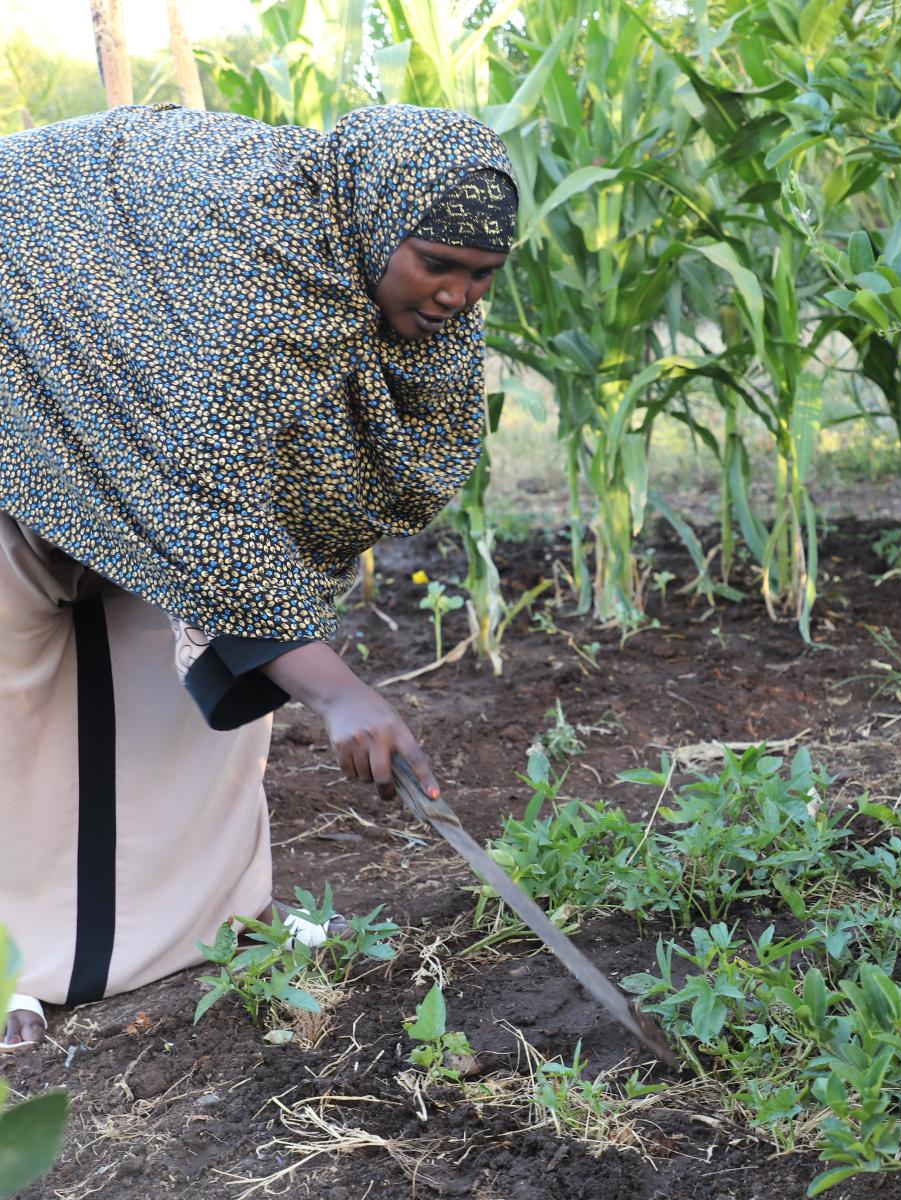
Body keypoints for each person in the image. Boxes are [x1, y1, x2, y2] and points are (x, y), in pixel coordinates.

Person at [0, 101, 518, 1050]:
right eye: (434, 264)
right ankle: (6, 966)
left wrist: (301, 652)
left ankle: (203, 929)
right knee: (12, 691)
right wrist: (342, 693)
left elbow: (271, 502)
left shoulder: (375, 265)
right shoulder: (256, 272)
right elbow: (211, 492)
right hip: (27, 350)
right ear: (379, 223)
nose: (454, 295)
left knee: (175, 682)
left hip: (147, 387)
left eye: (480, 275)